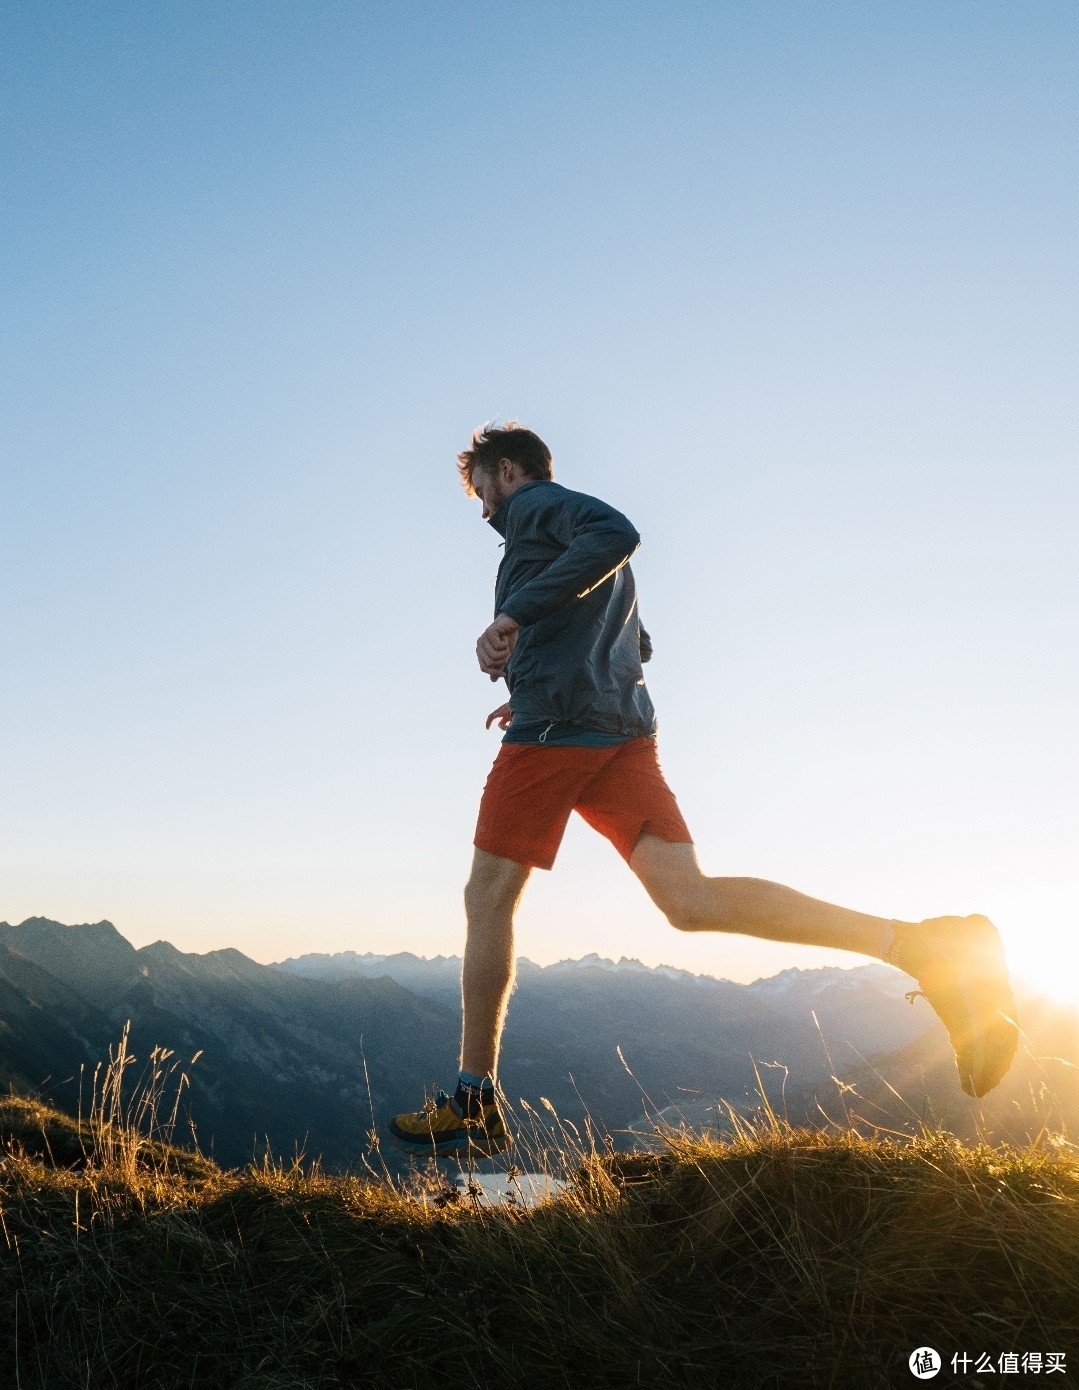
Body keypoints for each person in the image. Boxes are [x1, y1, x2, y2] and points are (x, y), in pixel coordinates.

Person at [389, 422, 1019, 1157]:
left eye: (482, 494)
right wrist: (533, 671)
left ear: (506, 470)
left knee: (486, 897)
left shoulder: (538, 506)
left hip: (557, 734)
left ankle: (474, 1099)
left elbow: (617, 531)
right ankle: (923, 946)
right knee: (690, 902)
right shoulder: (569, 543)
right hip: (618, 731)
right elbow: (636, 642)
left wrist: (513, 618)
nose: (486, 514)